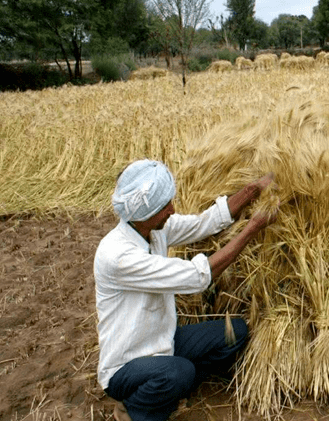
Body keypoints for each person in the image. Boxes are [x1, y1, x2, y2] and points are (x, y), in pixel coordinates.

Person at [93, 159, 277, 421]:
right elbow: (198, 276)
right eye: (165, 205)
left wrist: (254, 190)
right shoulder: (118, 256)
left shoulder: (153, 230)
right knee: (179, 373)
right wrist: (253, 228)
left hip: (163, 341)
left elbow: (206, 222)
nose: (172, 209)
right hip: (126, 365)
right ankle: (133, 410)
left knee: (234, 333)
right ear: (147, 212)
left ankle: (169, 385)